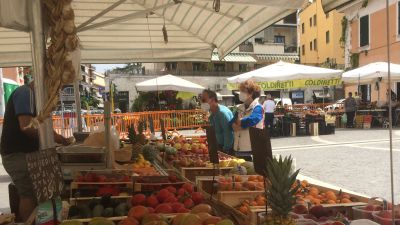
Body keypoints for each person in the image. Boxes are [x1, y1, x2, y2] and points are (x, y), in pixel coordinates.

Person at [0, 80, 71, 222]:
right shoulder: (25, 93)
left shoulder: (35, 98)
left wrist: (61, 139)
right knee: (28, 194)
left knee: (34, 193)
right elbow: (26, 126)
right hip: (16, 154)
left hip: (26, 154)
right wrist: (49, 139)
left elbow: (42, 125)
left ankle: (40, 221)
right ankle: (29, 221)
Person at [231, 80, 264, 160]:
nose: (240, 93)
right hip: (238, 148)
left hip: (252, 149)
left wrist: (240, 123)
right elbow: (231, 122)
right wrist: (237, 125)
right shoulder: (239, 108)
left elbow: (252, 120)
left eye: (243, 91)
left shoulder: (258, 108)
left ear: (251, 93)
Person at [201, 90, 234, 154]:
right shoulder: (213, 114)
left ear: (213, 100)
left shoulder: (222, 113)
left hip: (226, 149)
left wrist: (225, 150)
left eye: (204, 100)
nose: (201, 103)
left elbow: (228, 133)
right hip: (219, 146)